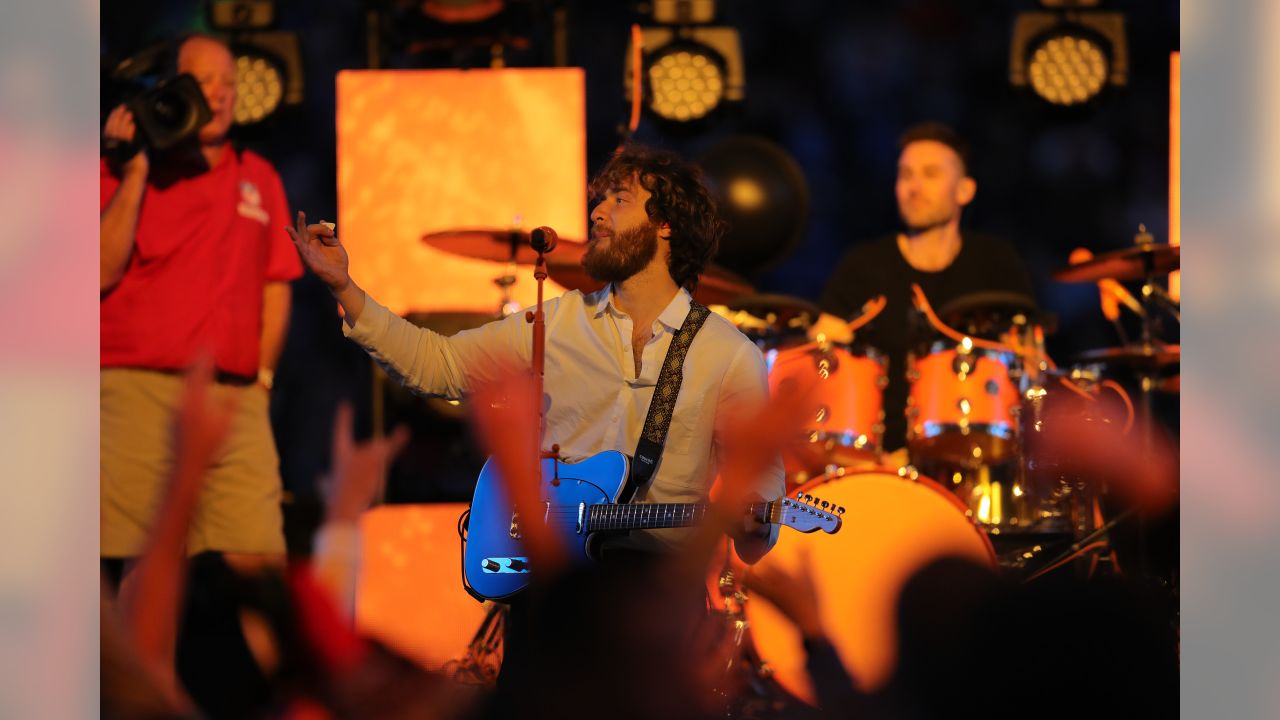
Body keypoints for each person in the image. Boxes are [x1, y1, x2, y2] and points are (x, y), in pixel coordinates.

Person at [288, 144, 783, 563]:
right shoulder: (555, 321)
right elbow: (437, 365)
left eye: (620, 199)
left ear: (666, 225)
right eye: (600, 200)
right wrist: (344, 287)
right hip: (553, 583)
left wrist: (755, 522)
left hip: (658, 605)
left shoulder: (726, 354)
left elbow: (758, 497)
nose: (597, 213)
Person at [100, 34, 302, 570]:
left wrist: (261, 379)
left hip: (235, 401)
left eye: (229, 82)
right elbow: (96, 272)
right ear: (172, 87)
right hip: (139, 391)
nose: (219, 94)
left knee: (259, 563)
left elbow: (276, 284)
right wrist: (134, 170)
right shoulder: (121, 169)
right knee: (143, 569)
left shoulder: (259, 176)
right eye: (204, 80)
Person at [813, 122, 1035, 456]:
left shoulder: (996, 263)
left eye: (930, 174)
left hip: (980, 458)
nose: (913, 187)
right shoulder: (862, 265)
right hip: (876, 466)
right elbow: (824, 365)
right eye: (905, 175)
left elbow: (1030, 364)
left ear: (964, 190)